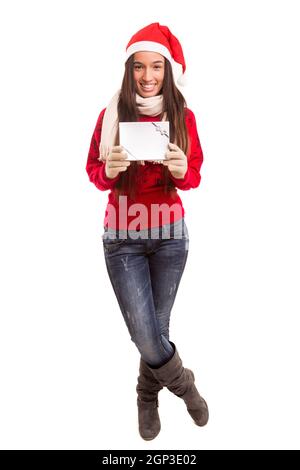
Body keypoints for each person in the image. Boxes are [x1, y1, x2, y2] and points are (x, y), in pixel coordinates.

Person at [86, 22, 208, 440]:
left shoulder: (183, 116)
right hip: (122, 237)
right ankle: (183, 384)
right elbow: (93, 172)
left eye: (156, 66)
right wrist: (109, 170)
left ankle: (146, 396)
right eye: (139, 66)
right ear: (129, 69)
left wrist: (181, 169)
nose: (148, 75)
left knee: (157, 328)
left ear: (168, 70)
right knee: (145, 332)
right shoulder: (111, 114)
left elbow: (193, 175)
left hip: (171, 237)